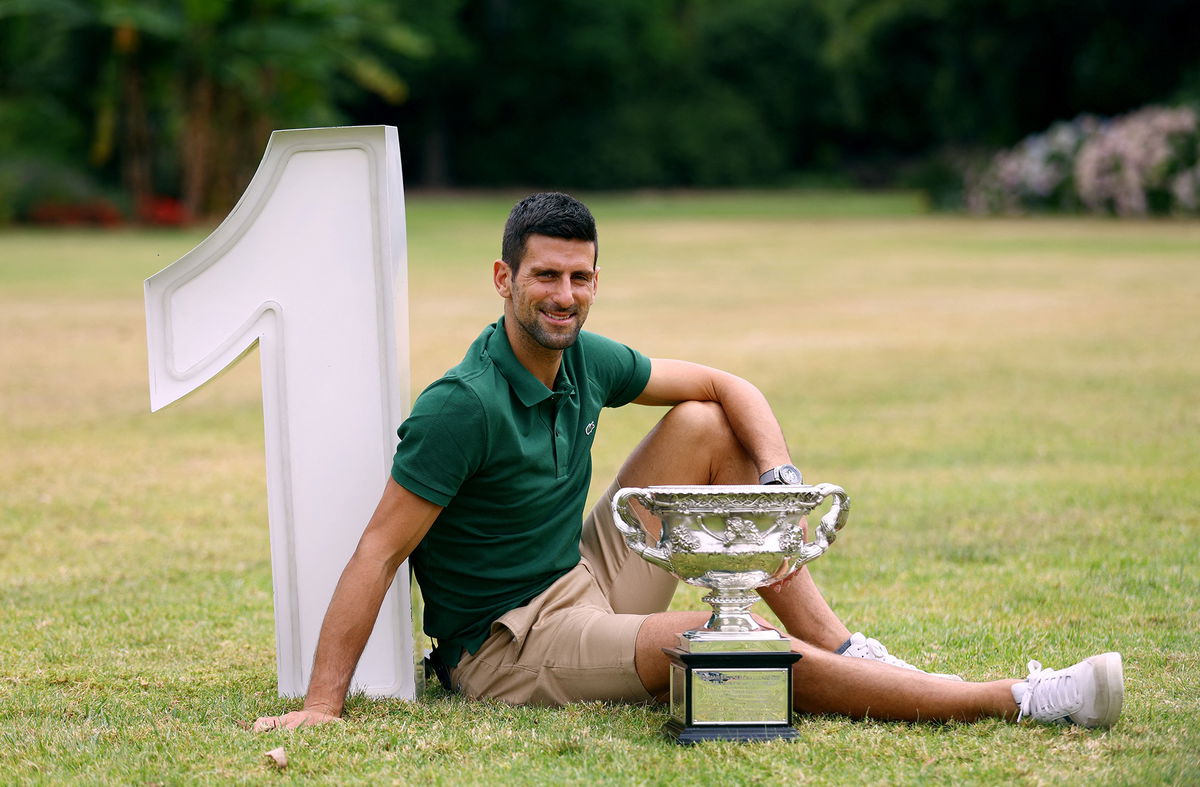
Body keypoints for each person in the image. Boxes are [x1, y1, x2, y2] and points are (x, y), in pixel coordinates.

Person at [253, 192, 1123, 732]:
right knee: (719, 641)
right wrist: (325, 703)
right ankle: (1012, 697)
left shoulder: (584, 356)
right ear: (502, 277)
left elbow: (722, 382)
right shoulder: (462, 405)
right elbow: (378, 549)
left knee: (706, 422)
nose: (563, 296)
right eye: (546, 277)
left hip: (581, 575)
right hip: (509, 644)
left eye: (580, 279)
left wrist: (779, 480)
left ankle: (847, 645)